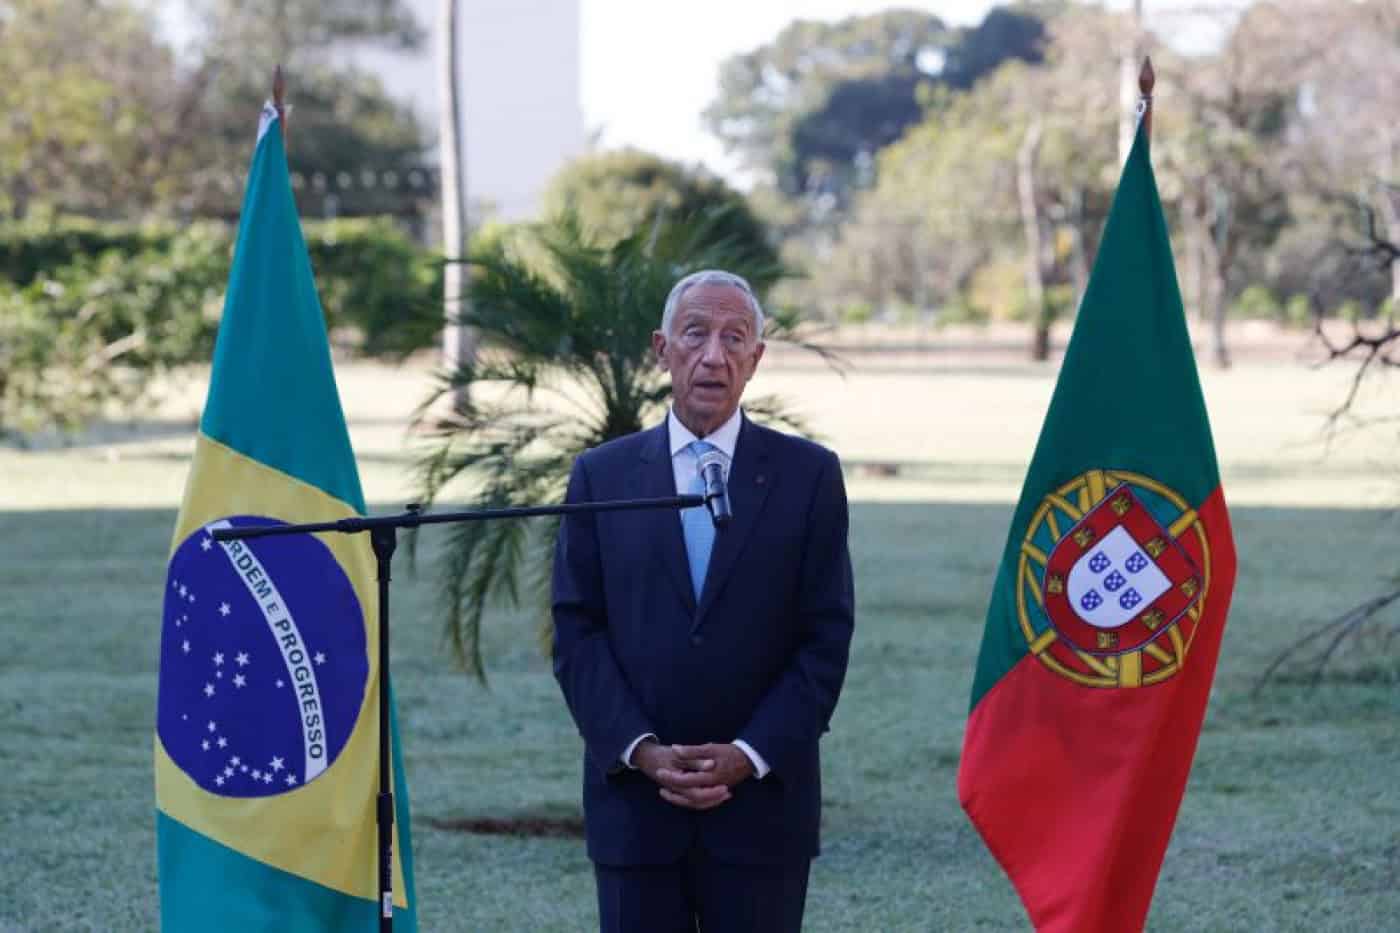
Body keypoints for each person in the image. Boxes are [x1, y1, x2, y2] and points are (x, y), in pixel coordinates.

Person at [551, 269, 856, 932]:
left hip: (762, 814)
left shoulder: (808, 476)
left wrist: (748, 753)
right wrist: (642, 750)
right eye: (695, 334)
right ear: (662, 350)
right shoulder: (602, 475)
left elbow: (825, 639)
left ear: (756, 358)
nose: (714, 355)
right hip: (636, 811)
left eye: (734, 338)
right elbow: (577, 631)